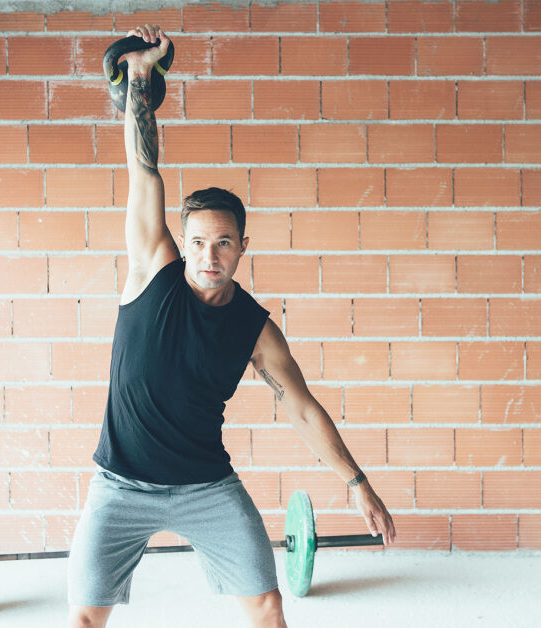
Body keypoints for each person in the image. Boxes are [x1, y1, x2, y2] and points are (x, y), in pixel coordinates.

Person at [67, 24, 397, 628]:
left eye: (223, 242)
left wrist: (358, 484)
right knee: (85, 618)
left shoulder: (254, 329)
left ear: (242, 247)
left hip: (205, 486)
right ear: (181, 244)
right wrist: (139, 78)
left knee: (268, 606)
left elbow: (301, 406)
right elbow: (146, 174)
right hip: (119, 484)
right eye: (197, 242)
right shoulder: (151, 271)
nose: (208, 254)